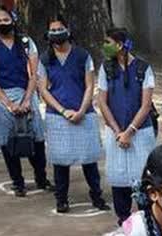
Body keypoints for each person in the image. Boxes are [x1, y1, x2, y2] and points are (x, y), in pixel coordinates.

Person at [38, 15, 109, 214]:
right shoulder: (45, 59)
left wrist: (81, 110)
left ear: (68, 30)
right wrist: (63, 111)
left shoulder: (82, 56)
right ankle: (61, 199)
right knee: (60, 162)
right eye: (52, 30)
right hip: (57, 115)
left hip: (84, 113)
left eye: (59, 29)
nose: (56, 34)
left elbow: (89, 85)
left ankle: (97, 196)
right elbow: (43, 90)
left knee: (89, 160)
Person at [0, 6, 52, 197]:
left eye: (6, 19)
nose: (3, 23)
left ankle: (41, 177)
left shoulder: (26, 43)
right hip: (2, 96)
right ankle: (17, 181)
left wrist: (28, 99)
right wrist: (8, 103)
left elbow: (34, 74)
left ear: (13, 20)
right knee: (7, 141)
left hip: (27, 93)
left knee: (36, 138)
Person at [97, 27, 157, 225]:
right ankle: (123, 221)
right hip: (115, 134)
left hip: (140, 132)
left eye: (108, 42)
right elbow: (102, 102)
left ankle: (147, 223)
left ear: (120, 45)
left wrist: (130, 131)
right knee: (119, 178)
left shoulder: (143, 68)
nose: (105, 46)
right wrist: (117, 132)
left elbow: (146, 105)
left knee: (142, 179)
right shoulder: (106, 68)